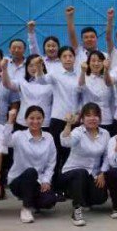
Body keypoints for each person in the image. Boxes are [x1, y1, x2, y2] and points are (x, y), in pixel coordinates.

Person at [35, 46, 81, 191]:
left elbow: (82, 97)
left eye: (70, 56)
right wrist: (39, 66)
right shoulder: (55, 74)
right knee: (56, 154)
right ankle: (55, 188)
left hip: (74, 121)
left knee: (71, 155)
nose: (68, 59)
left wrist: (78, 115)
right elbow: (41, 80)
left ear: (74, 58)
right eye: (64, 56)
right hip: (58, 119)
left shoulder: (80, 74)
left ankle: (70, 188)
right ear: (60, 59)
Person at [2, 106, 57, 223]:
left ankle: (32, 202)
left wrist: (46, 181)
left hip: (38, 181)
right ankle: (26, 208)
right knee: (31, 172)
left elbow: (51, 163)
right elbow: (5, 141)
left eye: (39, 118)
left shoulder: (49, 137)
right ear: (26, 120)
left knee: (49, 201)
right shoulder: (19, 135)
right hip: (18, 181)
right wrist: (10, 120)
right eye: (31, 118)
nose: (35, 121)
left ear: (43, 120)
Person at [58, 103, 109, 226]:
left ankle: (84, 199)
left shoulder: (105, 133)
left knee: (100, 197)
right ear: (82, 118)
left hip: (92, 174)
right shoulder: (78, 131)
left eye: (95, 115)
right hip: (72, 172)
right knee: (81, 173)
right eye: (88, 115)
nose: (92, 118)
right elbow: (66, 142)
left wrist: (102, 173)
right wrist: (68, 124)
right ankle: (77, 209)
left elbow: (108, 156)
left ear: (100, 118)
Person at [1, 55, 52, 131]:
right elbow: (7, 84)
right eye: (31, 66)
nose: (34, 68)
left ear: (42, 66)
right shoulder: (22, 81)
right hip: (23, 122)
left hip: (44, 122)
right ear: (26, 68)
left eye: (36, 65)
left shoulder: (50, 81)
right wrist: (4, 69)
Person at [79, 50, 115, 134]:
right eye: (93, 61)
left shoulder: (108, 77)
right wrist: (83, 71)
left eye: (99, 61)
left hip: (106, 119)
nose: (96, 63)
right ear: (88, 62)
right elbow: (81, 86)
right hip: (89, 120)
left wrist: (106, 70)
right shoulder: (85, 77)